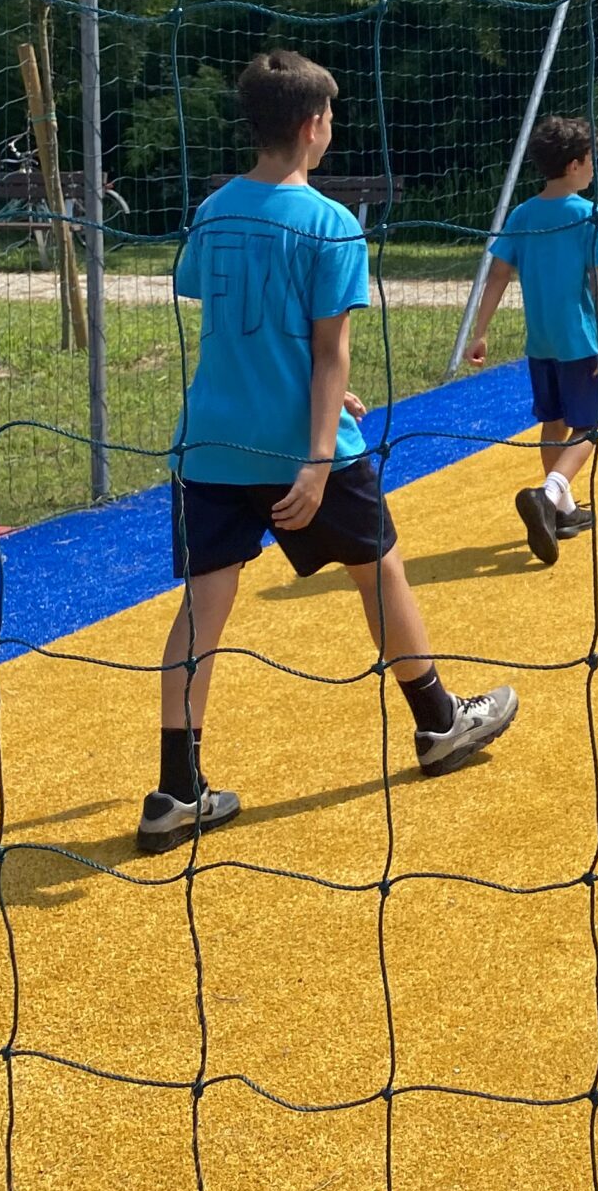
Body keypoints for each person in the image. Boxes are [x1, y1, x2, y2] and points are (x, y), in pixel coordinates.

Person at [141, 51, 518, 852]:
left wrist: (315, 395)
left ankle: (175, 792)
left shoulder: (213, 211)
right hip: (301, 451)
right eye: (332, 116)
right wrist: (317, 459)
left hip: (211, 445)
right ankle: (439, 722)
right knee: (379, 568)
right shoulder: (332, 223)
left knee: (202, 610)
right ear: (314, 124)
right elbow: (326, 350)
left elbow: (235, 326)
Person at [465, 113, 598, 568]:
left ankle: (563, 512)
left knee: (553, 422)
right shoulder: (591, 216)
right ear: (574, 165)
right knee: (592, 426)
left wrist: (480, 332)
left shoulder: (523, 214)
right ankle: (549, 493)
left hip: (541, 345)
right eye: (590, 161)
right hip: (580, 342)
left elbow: (498, 274)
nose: (593, 169)